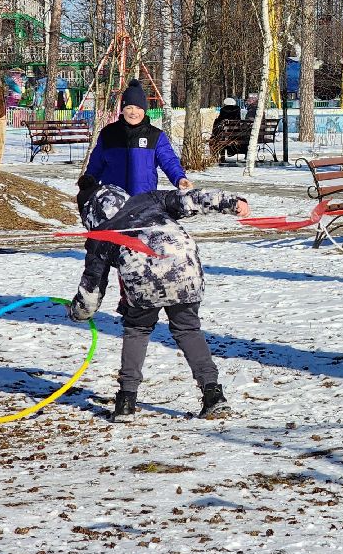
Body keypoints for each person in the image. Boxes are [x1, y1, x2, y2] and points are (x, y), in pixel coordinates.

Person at [69, 175, 251, 420]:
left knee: (137, 329)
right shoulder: (149, 200)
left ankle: (126, 402)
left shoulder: (99, 236)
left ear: (89, 213)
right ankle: (213, 395)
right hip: (183, 268)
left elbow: (91, 291)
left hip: (142, 282)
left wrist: (78, 312)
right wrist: (231, 202)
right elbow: (193, 198)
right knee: (188, 329)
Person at [85, 80, 191, 194]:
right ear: (123, 109)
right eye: (129, 107)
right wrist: (86, 185)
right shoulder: (108, 133)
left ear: (144, 110)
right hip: (113, 200)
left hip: (143, 199)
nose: (133, 112)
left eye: (138, 108)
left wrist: (179, 178)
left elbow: (169, 161)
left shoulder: (155, 136)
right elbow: (95, 164)